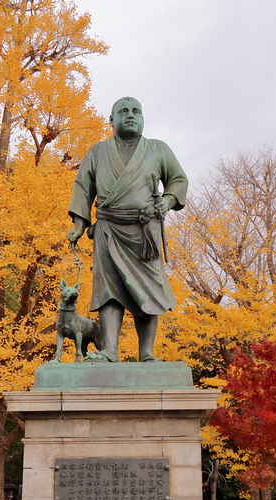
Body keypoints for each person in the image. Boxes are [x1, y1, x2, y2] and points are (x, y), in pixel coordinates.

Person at [67, 96, 188, 362]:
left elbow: (178, 180)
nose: (130, 115)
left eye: (136, 111)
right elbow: (83, 187)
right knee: (108, 289)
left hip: (145, 231)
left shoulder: (158, 149)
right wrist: (79, 222)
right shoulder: (97, 152)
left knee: (149, 290)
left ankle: (146, 353)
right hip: (108, 228)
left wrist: (166, 202)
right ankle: (109, 350)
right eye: (123, 111)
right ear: (112, 120)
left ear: (143, 119)